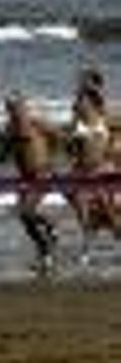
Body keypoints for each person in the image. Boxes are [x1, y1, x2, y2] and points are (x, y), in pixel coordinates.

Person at [0, 93, 62, 271]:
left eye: (17, 107)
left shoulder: (36, 123)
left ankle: (46, 253)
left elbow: (58, 136)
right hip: (25, 179)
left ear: (24, 107)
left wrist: (51, 158)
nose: (14, 111)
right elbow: (6, 150)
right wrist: (1, 155)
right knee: (24, 217)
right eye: (10, 108)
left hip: (42, 175)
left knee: (26, 212)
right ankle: (49, 228)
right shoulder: (10, 127)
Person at [66, 87, 121, 264]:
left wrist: (114, 147)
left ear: (90, 102)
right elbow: (71, 149)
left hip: (105, 170)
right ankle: (86, 250)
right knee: (84, 212)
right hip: (83, 173)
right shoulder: (77, 123)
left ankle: (109, 241)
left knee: (107, 209)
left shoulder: (105, 118)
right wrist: (73, 155)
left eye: (82, 100)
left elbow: (116, 134)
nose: (79, 104)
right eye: (78, 101)